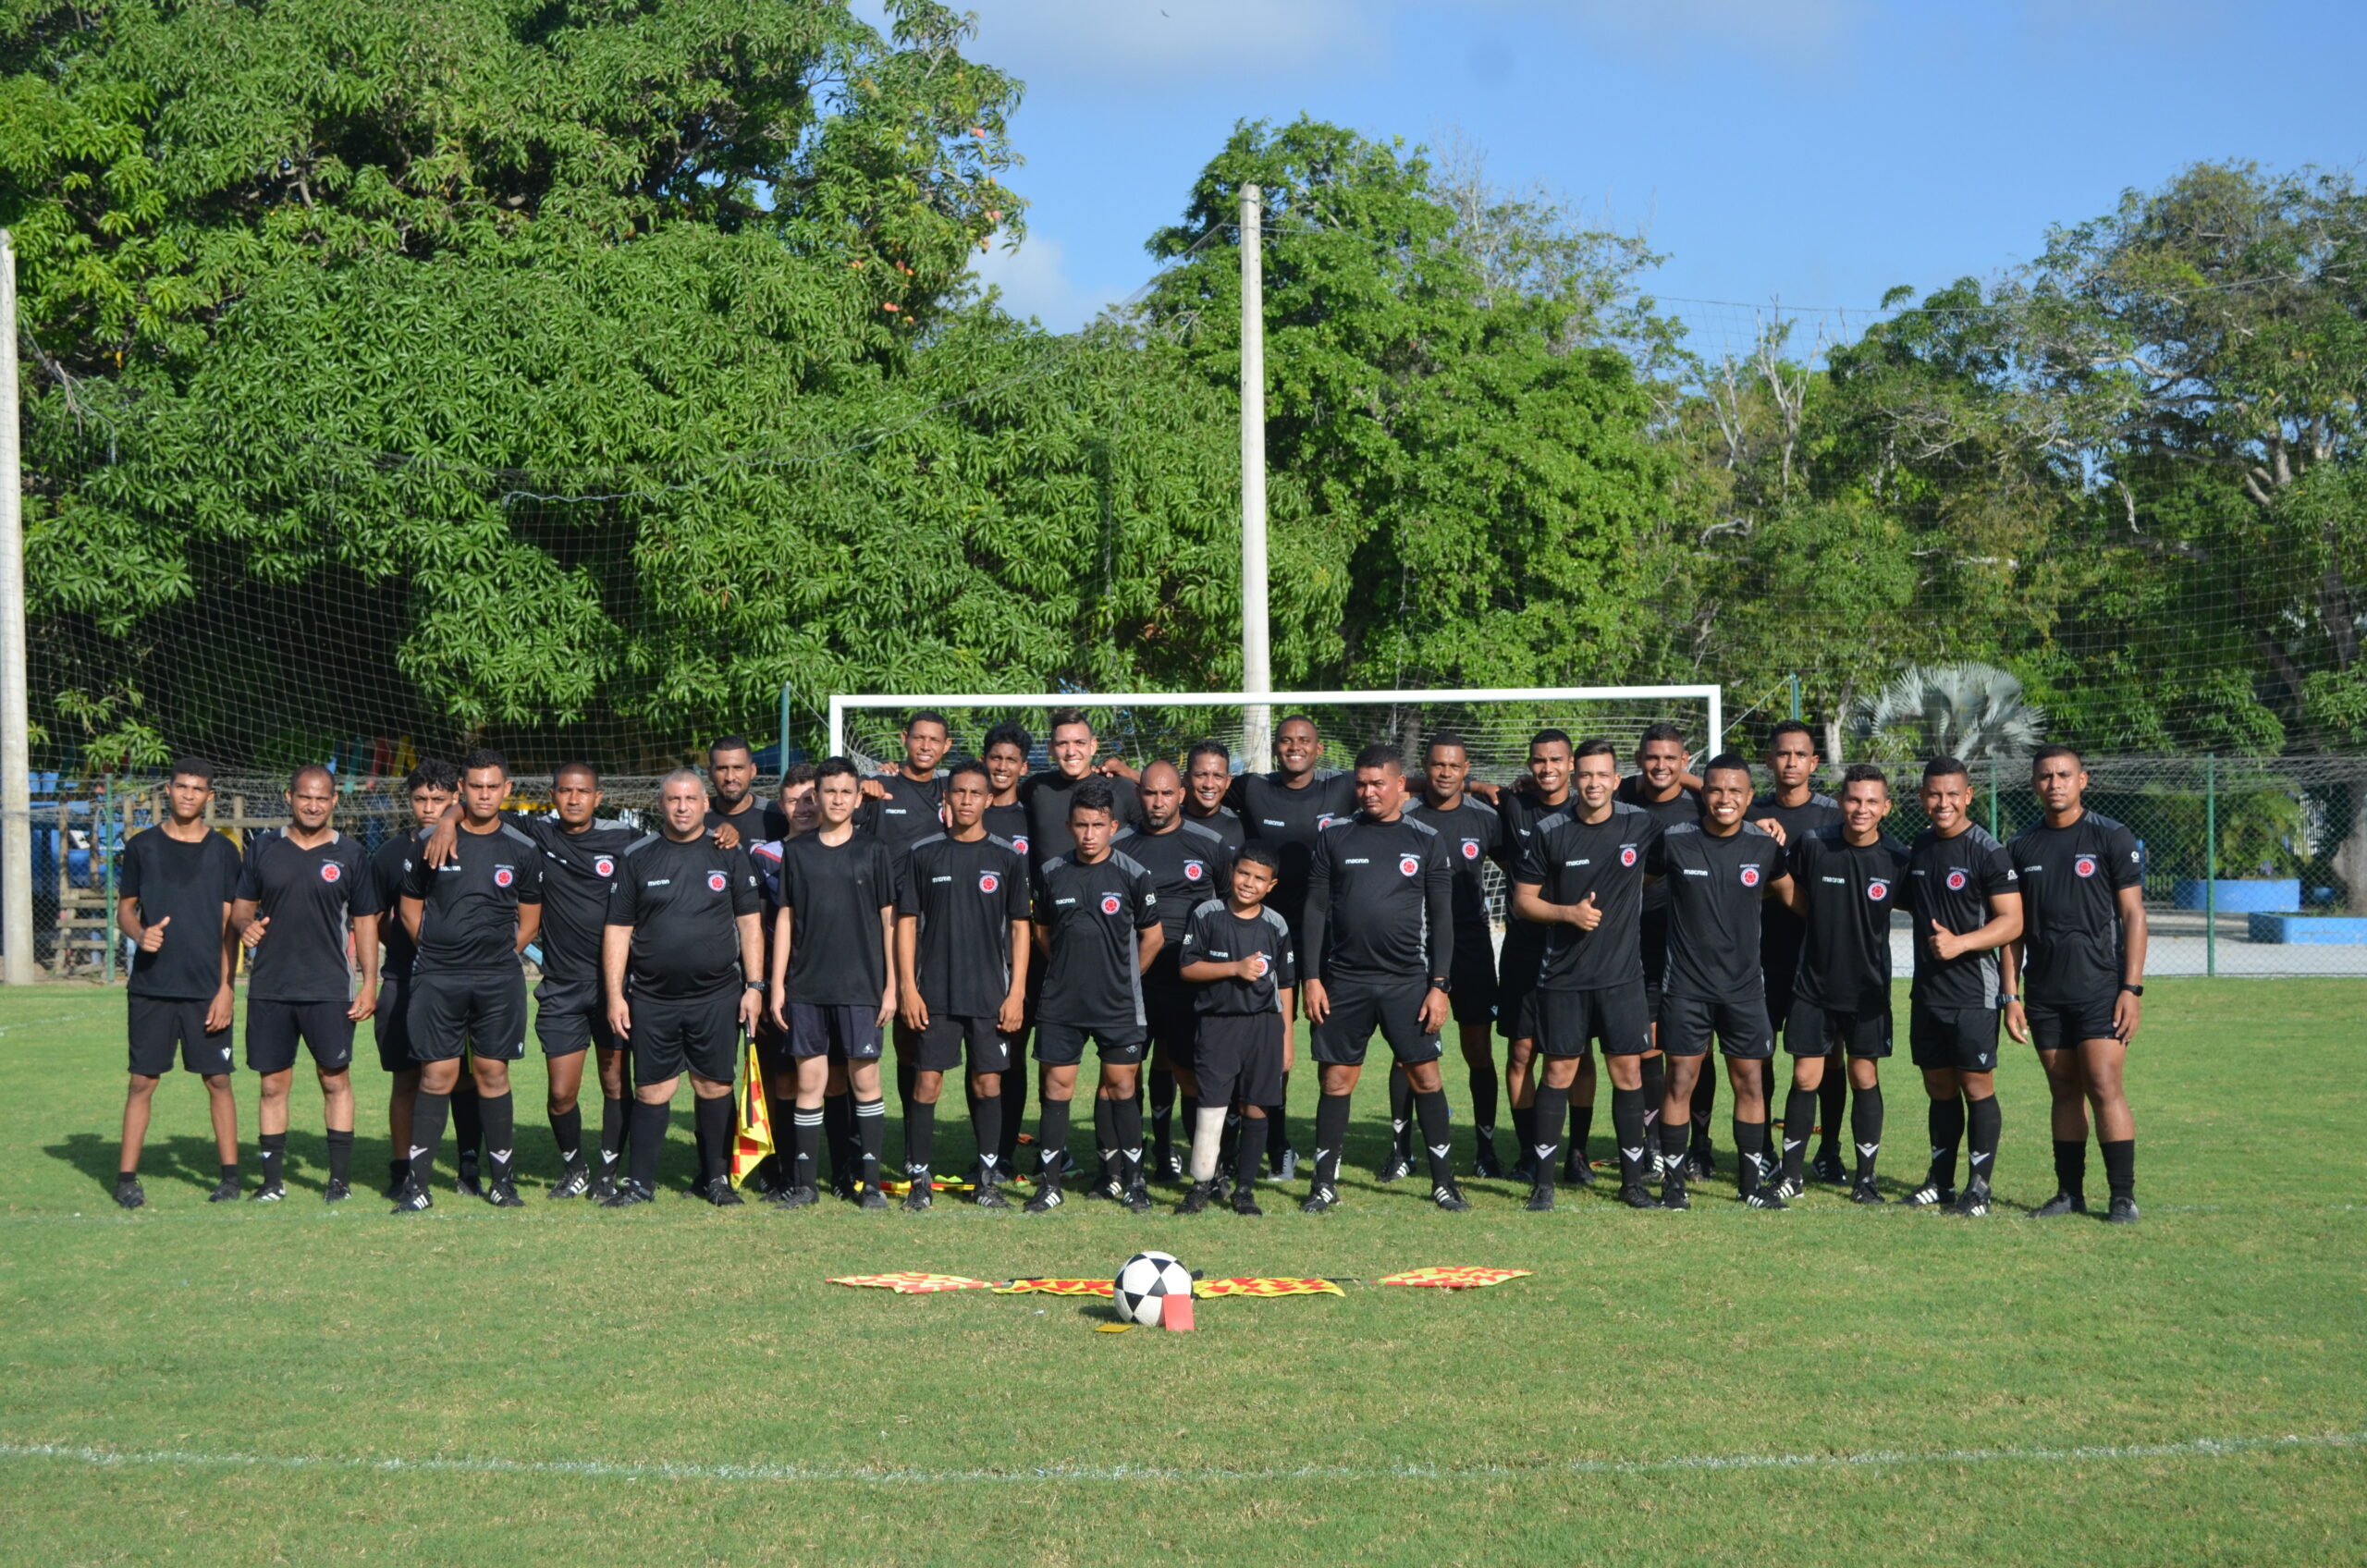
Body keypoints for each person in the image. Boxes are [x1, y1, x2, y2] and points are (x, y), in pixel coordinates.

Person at [1298, 744, 1463, 1213]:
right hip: (1343, 982)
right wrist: (1312, 977)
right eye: (1361, 784)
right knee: (1335, 1082)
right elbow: (1313, 909)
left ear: (1400, 786)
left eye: (1377, 784)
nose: (1368, 792)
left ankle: (1444, 1183)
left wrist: (1440, 985)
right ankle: (1323, 1185)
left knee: (1426, 1078)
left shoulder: (1426, 839)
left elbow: (1443, 919)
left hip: (1407, 982)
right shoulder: (1335, 836)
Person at [599, 769, 766, 1207]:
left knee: (714, 1086)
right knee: (652, 1090)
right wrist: (616, 995)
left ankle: (715, 1180)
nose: (683, 806)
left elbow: (750, 923)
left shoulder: (727, 852)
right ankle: (640, 1184)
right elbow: (617, 929)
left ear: (705, 803)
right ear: (661, 804)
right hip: (652, 997)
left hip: (717, 995)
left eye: (691, 798)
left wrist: (755, 985)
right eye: (674, 799)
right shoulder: (639, 857)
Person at [1509, 739, 1663, 1210]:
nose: (1594, 784)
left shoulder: (1642, 824)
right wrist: (1567, 915)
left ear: (1617, 781)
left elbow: (1690, 823)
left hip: (1622, 978)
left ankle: (1632, 1182)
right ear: (1575, 778)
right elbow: (1523, 900)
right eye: (1586, 775)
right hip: (1563, 977)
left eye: (1603, 776)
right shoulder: (1551, 830)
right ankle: (1544, 1183)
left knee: (1628, 1072)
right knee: (1558, 1070)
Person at [392, 749, 544, 1212]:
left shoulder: (522, 848)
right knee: (437, 1075)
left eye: (491, 786)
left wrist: (496, 958)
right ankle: (416, 1187)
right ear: (462, 789)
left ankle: (503, 1182)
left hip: (497, 981)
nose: (483, 793)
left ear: (506, 790)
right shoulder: (430, 841)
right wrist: (440, 954)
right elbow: (409, 908)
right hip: (438, 978)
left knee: (492, 1073)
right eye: (474, 786)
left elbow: (530, 921)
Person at [2005, 745, 2148, 1223]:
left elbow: (2133, 915)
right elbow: (2013, 929)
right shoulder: (2021, 846)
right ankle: (2069, 1193)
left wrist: (2132, 989)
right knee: (2063, 1089)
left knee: (2104, 1084)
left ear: (2082, 780)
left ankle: (2122, 1196)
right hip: (2044, 992)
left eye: (2064, 774)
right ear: (2034, 785)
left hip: (2101, 987)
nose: (2055, 783)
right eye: (2045, 776)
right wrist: (2012, 996)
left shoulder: (2110, 835)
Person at [1648, 753, 1797, 1209]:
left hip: (1745, 988)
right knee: (1680, 1080)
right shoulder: (1674, 840)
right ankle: (1674, 1184)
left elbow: (1795, 900)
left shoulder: (1765, 846)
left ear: (1750, 797)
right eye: (1715, 789)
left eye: (1735, 791)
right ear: (1702, 794)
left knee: (1750, 1082)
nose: (1724, 798)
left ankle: (1750, 1186)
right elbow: (1632, 886)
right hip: (1686, 987)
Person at [230, 765, 378, 1202]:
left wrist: (369, 982)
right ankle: (272, 1182)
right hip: (271, 988)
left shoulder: (351, 854)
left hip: (329, 988)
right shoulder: (263, 848)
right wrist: (245, 926)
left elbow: (365, 922)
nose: (313, 805)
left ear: (334, 802)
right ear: (289, 797)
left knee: (335, 1080)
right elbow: (241, 908)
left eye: (322, 798)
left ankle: (339, 1182)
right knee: (272, 1085)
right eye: (304, 797)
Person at [895, 758, 1031, 1209]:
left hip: (990, 995)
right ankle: (919, 1181)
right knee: (926, 1084)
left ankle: (988, 1181)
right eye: (959, 792)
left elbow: (1020, 928)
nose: (967, 800)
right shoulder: (924, 854)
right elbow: (906, 923)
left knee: (988, 1084)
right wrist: (908, 989)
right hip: (933, 993)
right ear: (946, 798)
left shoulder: (1007, 858)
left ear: (989, 799)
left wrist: (1017, 993)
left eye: (976, 793)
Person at [1225, 715, 1355, 1182]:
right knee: (1268, 1043)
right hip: (1265, 936)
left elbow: (1404, 780)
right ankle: (1273, 1141)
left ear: (1318, 749)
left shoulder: (1341, 788)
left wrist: (1480, 787)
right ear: (1276, 747)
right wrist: (1120, 771)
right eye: (1286, 740)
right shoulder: (1254, 788)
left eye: (1303, 741)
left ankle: (1332, 1146)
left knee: (1327, 1043)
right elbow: (1194, 782)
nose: (1294, 747)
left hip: (1324, 939)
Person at [1024, 778, 1162, 1213]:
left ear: (1113, 826)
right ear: (1069, 826)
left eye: (1097, 825)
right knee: (1056, 1087)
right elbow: (1042, 932)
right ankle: (1048, 1185)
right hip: (1061, 1003)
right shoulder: (1051, 873)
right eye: (1081, 825)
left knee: (1122, 1087)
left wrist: (1125, 977)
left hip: (1118, 1004)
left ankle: (1135, 1181)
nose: (1089, 834)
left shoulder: (1132, 874)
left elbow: (1153, 937)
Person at [1772, 764, 1908, 1205]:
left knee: (1863, 1075)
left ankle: (1864, 1179)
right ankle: (1791, 1176)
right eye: (1853, 799)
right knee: (1805, 1076)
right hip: (1813, 985)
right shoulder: (1814, 844)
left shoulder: (1897, 858)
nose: (1861, 809)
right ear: (1841, 802)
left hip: (1868, 990)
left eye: (1872, 801)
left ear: (1886, 807)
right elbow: (1787, 888)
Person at [767, 758, 901, 1208]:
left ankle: (869, 1184)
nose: (838, 799)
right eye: (829, 792)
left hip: (862, 986)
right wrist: (779, 983)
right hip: (807, 986)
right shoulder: (799, 852)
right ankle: (805, 1184)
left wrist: (892, 985)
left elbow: (889, 921)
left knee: (865, 1080)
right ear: (817, 797)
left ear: (858, 797)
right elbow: (785, 918)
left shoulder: (873, 850)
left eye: (846, 792)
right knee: (810, 1081)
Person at [114, 757, 243, 1208]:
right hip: (152, 988)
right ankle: (126, 1178)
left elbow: (231, 926)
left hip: (207, 991)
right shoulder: (141, 847)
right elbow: (125, 909)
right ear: (167, 790)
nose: (188, 794)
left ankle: (230, 1177)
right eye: (181, 786)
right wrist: (139, 933)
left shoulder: (225, 851)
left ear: (210, 797)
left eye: (198, 789)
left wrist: (227, 988)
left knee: (219, 1081)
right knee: (142, 1082)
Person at [1902, 756, 2023, 1217]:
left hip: (1973, 993)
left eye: (1953, 794)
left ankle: (1980, 1188)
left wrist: (1961, 944)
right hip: (1927, 993)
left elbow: (2013, 922)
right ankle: (1941, 1182)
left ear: (1969, 796)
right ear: (1922, 798)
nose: (1943, 803)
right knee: (1938, 1087)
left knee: (1976, 1086)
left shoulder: (1987, 850)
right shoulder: (1920, 846)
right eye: (1934, 794)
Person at [1116, 760, 1235, 1183]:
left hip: (1190, 985)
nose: (1158, 802)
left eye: (1167, 793)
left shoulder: (1210, 844)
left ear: (1181, 794)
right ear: (1138, 795)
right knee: (1123, 1074)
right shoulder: (1120, 845)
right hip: (1136, 981)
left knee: (1189, 1074)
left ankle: (1209, 1169)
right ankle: (1122, 1168)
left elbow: (1230, 908)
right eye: (1150, 793)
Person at [1399, 733, 1509, 1180]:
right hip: (1414, 946)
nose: (1445, 773)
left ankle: (1485, 1148)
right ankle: (1400, 1150)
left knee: (1478, 1049)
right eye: (1437, 765)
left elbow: (1522, 873)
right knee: (1410, 1050)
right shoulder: (1405, 815)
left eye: (1453, 766)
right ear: (1426, 769)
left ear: (1466, 770)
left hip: (1471, 947)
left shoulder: (1486, 818)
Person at [1175, 842, 1294, 1216]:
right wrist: (1235, 968)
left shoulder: (1276, 924)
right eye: (1243, 873)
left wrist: (1286, 1040)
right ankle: (1201, 1185)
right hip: (1217, 1026)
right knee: (1211, 1106)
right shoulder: (1207, 914)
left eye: (1259, 878)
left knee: (1256, 1107)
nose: (1248, 883)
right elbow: (1187, 968)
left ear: (1271, 885)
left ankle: (1244, 1190)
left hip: (1263, 1028)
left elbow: (1287, 985)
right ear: (1231, 871)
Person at [1748, 721, 1845, 1180]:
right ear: (1769, 761)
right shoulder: (1749, 812)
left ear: (1814, 762)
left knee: (1829, 1056)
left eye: (1799, 754)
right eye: (1781, 754)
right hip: (1759, 955)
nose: (1790, 762)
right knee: (1759, 1052)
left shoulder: (1833, 817)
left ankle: (1830, 1148)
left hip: (1820, 958)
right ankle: (1764, 1146)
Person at [1619, 722, 1711, 1177]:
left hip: (1695, 944)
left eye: (1671, 758)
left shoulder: (1703, 801)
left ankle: (1702, 1146)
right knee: (1649, 1049)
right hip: (1636, 941)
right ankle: (1653, 1145)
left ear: (1685, 761)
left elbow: (1732, 795)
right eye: (1652, 757)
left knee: (1696, 1052)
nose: (1661, 766)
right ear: (1638, 760)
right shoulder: (1618, 796)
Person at [1491, 729, 1576, 1183]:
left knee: (1571, 1056)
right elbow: (1450, 784)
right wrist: (1484, 787)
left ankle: (1576, 1152)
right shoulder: (1514, 805)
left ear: (1571, 765)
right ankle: (1528, 1152)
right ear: (1529, 765)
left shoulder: (1587, 808)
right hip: (1524, 947)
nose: (1547, 769)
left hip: (1575, 950)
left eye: (1556, 760)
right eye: (1539, 761)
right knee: (1521, 1052)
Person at [370, 759, 457, 1197]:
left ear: (454, 798)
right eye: (421, 799)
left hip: (461, 983)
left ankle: (470, 1163)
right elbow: (373, 918)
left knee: (465, 1077)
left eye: (438, 799)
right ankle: (402, 1169)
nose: (428, 808)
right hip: (403, 980)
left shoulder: (475, 844)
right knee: (405, 1079)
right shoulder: (388, 854)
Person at [976, 723, 1036, 1178]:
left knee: (1013, 1054)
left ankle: (1005, 1152)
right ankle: (985, 1152)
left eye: (1009, 760)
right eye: (994, 758)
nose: (1001, 766)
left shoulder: (1033, 814)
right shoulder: (962, 807)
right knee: (981, 1056)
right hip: (973, 955)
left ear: (1023, 767)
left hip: (1027, 955)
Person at [1018, 707, 1142, 872]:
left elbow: (1162, 819)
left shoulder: (1121, 788)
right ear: (1050, 748)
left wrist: (1131, 773)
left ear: (1093, 746)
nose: (1071, 752)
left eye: (1079, 743)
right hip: (1051, 895)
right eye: (1063, 744)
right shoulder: (1035, 788)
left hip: (1109, 895)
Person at [705, 735, 791, 846]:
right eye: (722, 768)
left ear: (753, 770)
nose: (730, 777)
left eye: (738, 768)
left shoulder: (778, 815)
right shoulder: (697, 817)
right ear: (710, 773)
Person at [1183, 740, 1247, 852]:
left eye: (1218, 776)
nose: (1209, 785)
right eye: (1201, 775)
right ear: (1187, 778)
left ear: (1227, 781)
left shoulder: (1243, 827)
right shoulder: (1170, 823)